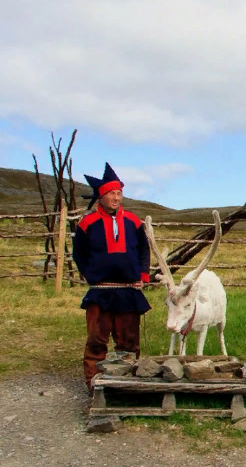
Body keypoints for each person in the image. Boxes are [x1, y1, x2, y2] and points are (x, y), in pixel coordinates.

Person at [72, 163, 151, 389]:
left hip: (129, 289)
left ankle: (128, 383)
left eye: (119, 193)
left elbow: (144, 250)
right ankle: (94, 383)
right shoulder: (87, 223)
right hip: (101, 291)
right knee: (96, 340)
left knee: (129, 341)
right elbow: (79, 253)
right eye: (112, 194)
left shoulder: (134, 222)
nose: (117, 198)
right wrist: (89, 273)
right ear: (102, 196)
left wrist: (143, 275)